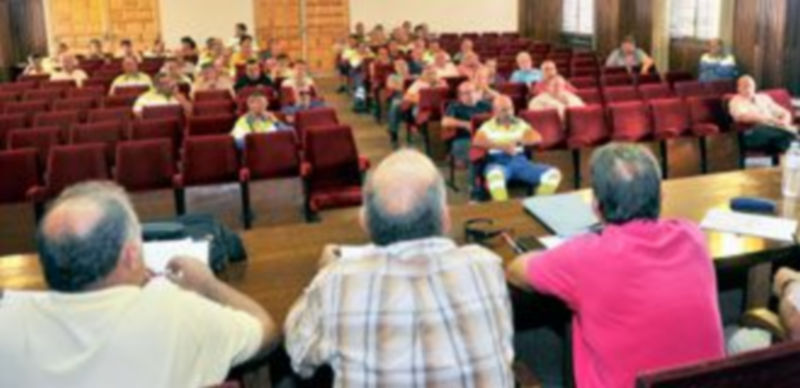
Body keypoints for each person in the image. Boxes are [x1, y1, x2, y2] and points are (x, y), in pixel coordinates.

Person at [0, 181, 277, 388]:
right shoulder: (176, 311)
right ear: (132, 255)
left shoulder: (8, 318)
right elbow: (266, 333)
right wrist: (208, 284)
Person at [284, 149, 515, 388]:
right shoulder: (486, 265)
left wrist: (321, 276)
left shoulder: (336, 280)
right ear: (446, 219)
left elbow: (299, 358)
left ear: (365, 222)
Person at [507, 143, 725, 388]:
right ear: (662, 198)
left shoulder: (584, 256)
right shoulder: (692, 236)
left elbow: (515, 271)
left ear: (596, 208)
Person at [473, 96, 562, 201]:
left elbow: (537, 138)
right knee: (494, 177)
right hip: (498, 162)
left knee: (553, 174)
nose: (508, 113)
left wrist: (518, 141)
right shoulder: (488, 126)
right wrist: (502, 146)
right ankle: (505, 208)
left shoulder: (520, 123)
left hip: (520, 161)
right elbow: (477, 141)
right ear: (495, 111)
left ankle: (538, 202)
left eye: (510, 108)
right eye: (504, 110)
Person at [443, 81, 493, 198]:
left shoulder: (485, 105)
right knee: (475, 154)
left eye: (472, 92)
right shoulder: (455, 106)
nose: (469, 95)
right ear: (460, 96)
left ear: (477, 92)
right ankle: (474, 188)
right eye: (465, 93)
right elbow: (445, 122)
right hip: (463, 140)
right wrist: (465, 124)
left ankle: (491, 183)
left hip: (485, 139)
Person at [729, 75, 797, 156]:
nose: (748, 88)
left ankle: (779, 162)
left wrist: (784, 122)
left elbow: (785, 113)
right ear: (738, 88)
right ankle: (793, 134)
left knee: (782, 140)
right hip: (753, 132)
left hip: (775, 129)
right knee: (781, 134)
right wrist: (770, 119)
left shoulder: (764, 98)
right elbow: (742, 117)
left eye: (750, 85)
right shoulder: (736, 101)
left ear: (754, 87)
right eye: (744, 86)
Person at [387, 65, 446, 146]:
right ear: (424, 74)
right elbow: (407, 96)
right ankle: (395, 131)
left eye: (433, 73)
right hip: (420, 106)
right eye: (428, 73)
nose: (431, 75)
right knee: (399, 106)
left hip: (439, 107)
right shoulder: (419, 83)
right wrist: (420, 100)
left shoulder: (442, 83)